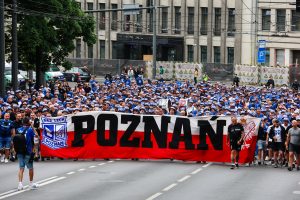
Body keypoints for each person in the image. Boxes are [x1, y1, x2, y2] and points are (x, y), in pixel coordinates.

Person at [15, 117, 38, 190]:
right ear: (28, 122)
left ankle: (20, 184)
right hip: (28, 151)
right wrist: (32, 126)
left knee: (21, 168)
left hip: (19, 151)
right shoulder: (30, 130)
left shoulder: (18, 129)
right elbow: (37, 137)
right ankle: (31, 184)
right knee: (30, 168)